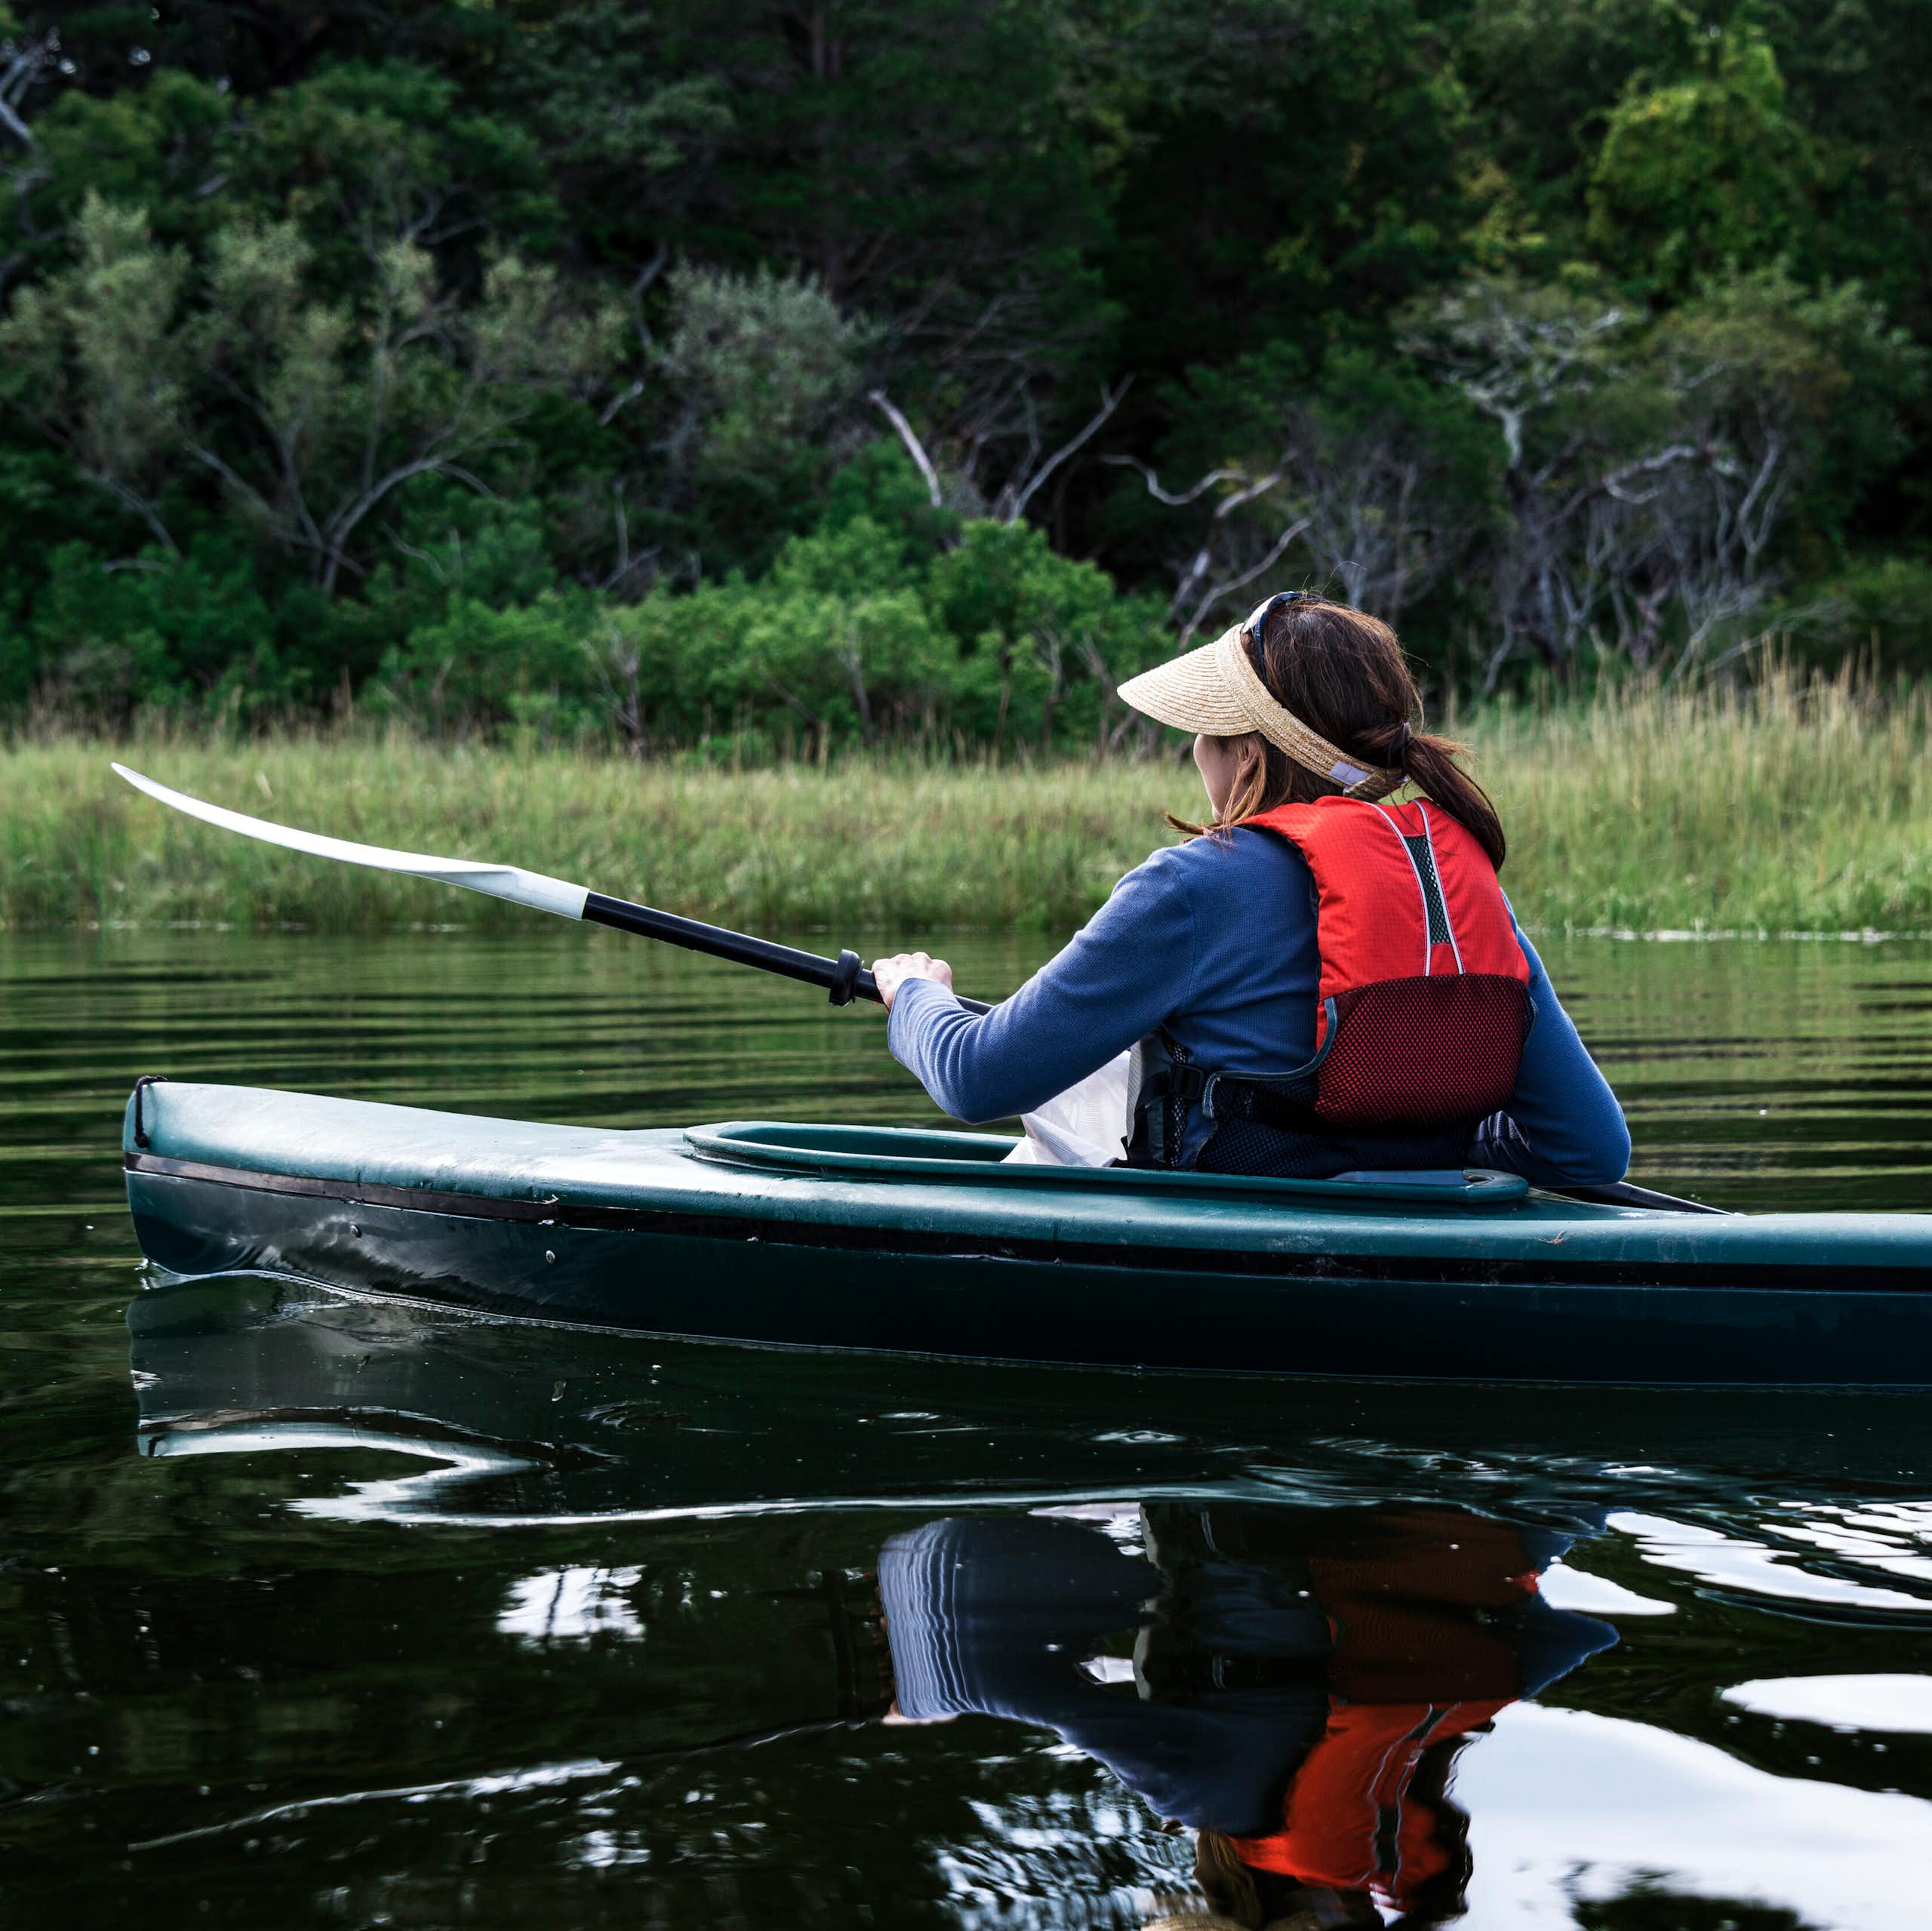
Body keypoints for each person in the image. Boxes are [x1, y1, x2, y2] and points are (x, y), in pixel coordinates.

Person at [871, 592, 1629, 1185]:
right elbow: (1590, 1153)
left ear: (1242, 751)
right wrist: (1440, 1152)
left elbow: (974, 1078)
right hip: (1418, 1238)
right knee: (1103, 1067)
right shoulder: (1456, 899)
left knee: (1079, 1091)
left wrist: (914, 997)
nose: (1194, 749)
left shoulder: (1189, 887)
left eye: (1204, 729)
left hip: (1229, 1247)